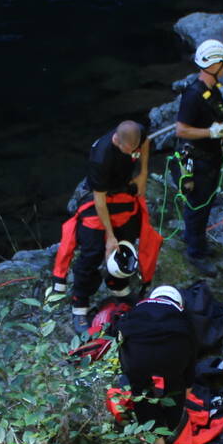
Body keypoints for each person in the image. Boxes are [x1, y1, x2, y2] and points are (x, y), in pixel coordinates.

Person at [67, 120, 151, 334]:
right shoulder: (101, 157)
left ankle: (118, 286)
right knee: (93, 250)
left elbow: (146, 142)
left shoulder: (137, 134)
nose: (134, 152)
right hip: (99, 198)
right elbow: (99, 201)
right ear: (117, 141)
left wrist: (142, 174)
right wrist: (110, 237)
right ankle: (80, 305)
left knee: (127, 242)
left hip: (122, 190)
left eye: (135, 149)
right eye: (129, 150)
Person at [171, 40, 223, 271]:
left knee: (206, 202)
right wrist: (210, 132)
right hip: (197, 160)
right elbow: (181, 130)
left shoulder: (213, 91)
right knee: (197, 204)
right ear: (214, 65)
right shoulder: (193, 95)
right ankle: (195, 253)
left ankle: (196, 240)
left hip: (212, 158)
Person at [116, 284, 197, 440]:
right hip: (171, 359)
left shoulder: (137, 308)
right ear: (179, 302)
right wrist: (188, 384)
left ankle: (154, 435)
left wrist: (126, 369)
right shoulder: (183, 315)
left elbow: (121, 336)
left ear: (153, 297)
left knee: (139, 387)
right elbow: (191, 353)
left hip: (138, 358)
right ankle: (170, 426)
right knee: (175, 384)